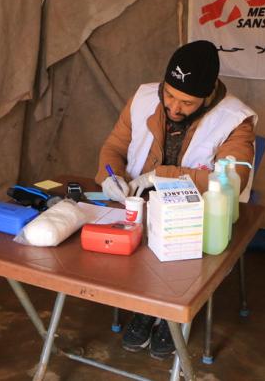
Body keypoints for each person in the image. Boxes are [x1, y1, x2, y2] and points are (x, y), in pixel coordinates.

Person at [95, 40, 256, 359]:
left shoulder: (235, 119)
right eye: (169, 94)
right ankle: (145, 304)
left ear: (208, 95)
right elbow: (114, 146)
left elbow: (234, 182)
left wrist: (161, 176)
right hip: (139, 201)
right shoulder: (143, 98)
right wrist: (108, 175)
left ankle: (167, 312)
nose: (174, 107)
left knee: (179, 244)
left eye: (187, 102)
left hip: (198, 214)